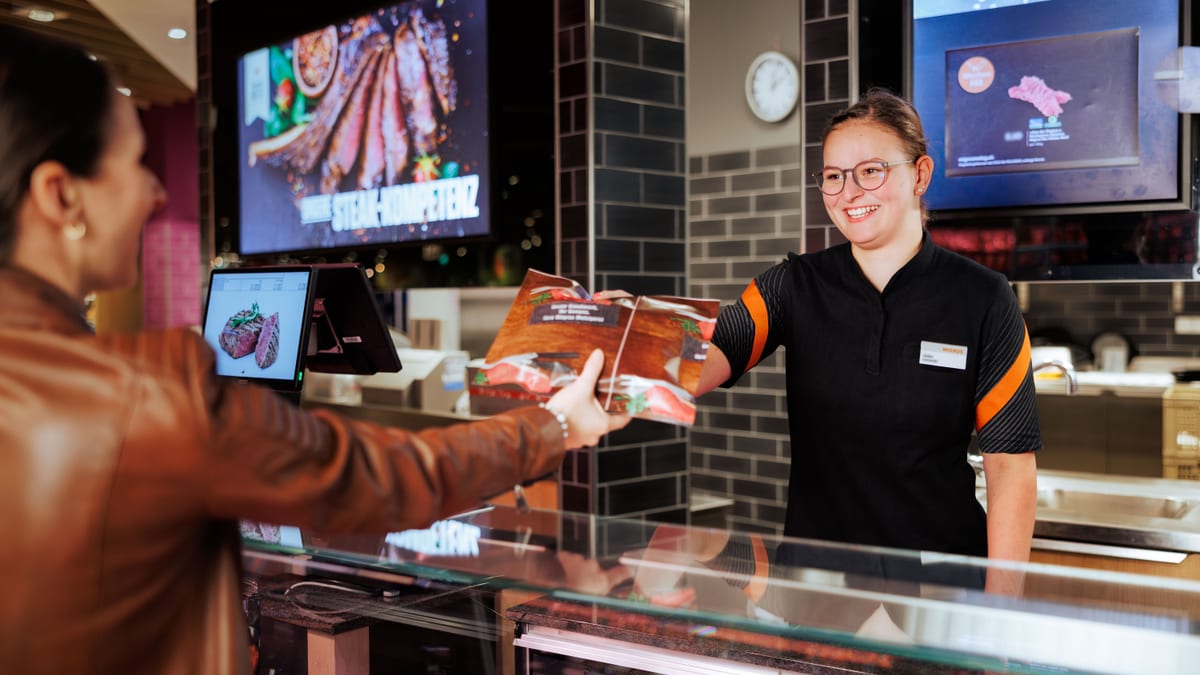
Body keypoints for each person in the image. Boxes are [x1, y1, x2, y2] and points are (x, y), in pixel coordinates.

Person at [0, 25, 628, 675]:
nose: (155, 193)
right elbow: (377, 476)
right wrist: (556, 423)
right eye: (134, 164)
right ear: (60, 194)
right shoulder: (151, 393)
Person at [691, 89, 1040, 594]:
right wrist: (614, 331)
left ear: (920, 174)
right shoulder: (791, 286)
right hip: (818, 582)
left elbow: (1009, 467)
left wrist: (1000, 619)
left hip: (941, 582)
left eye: (871, 170)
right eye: (834, 176)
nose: (850, 192)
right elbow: (704, 361)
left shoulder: (984, 298)